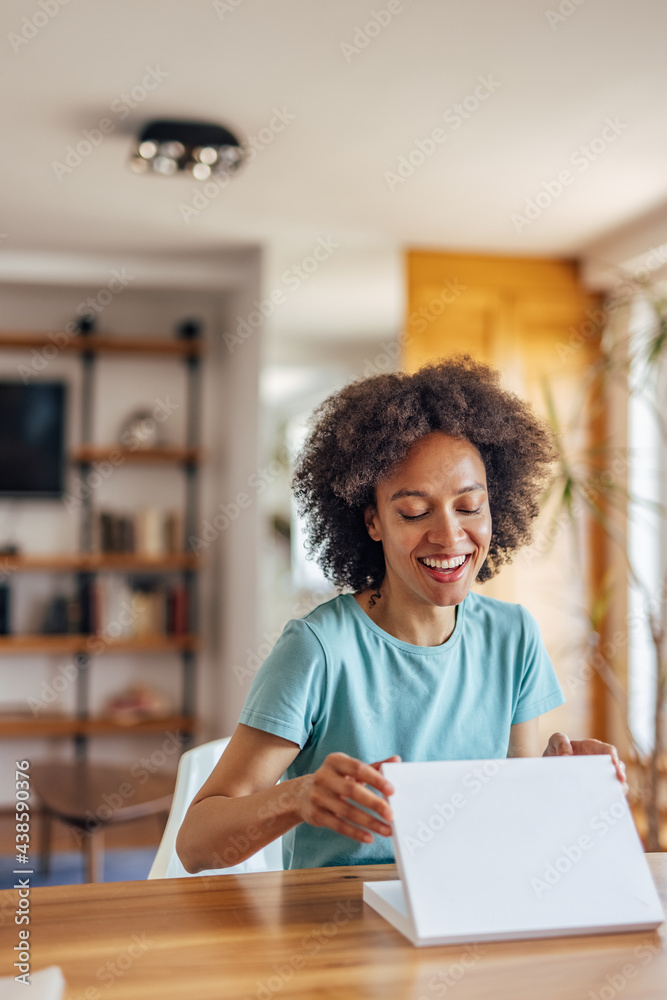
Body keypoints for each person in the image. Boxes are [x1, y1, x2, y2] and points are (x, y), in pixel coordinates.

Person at [176, 355, 627, 873]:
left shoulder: (513, 636)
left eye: (468, 506)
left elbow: (510, 818)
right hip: (341, 932)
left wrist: (556, 783)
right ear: (373, 522)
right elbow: (195, 844)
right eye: (414, 512)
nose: (449, 536)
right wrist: (297, 797)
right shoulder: (318, 650)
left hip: (466, 913)